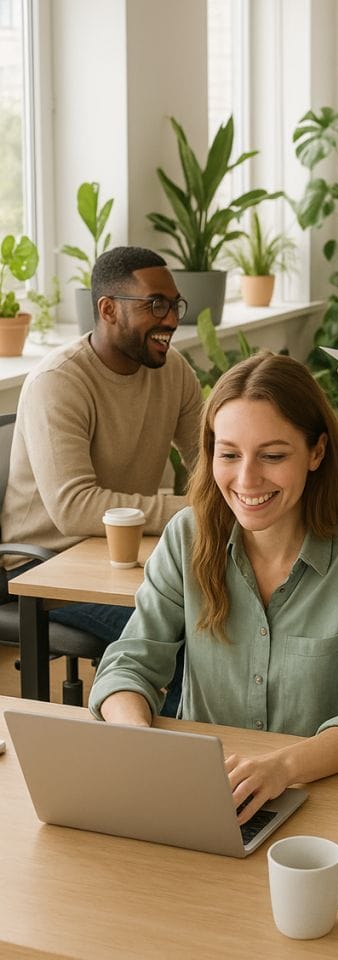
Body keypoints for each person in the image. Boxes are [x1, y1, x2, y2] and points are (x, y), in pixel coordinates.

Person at [89, 352, 338, 823]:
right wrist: (139, 738)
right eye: (229, 454)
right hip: (203, 798)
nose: (246, 480)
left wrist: (281, 768)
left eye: (273, 455)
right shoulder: (187, 536)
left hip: (329, 800)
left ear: (317, 452)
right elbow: (128, 663)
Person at [2, 246, 203, 698]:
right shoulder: (59, 381)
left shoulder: (174, 372)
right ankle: (161, 760)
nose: (171, 319)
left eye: (174, 305)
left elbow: (211, 462)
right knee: (188, 642)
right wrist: (194, 508)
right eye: (156, 305)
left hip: (127, 559)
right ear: (108, 309)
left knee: (232, 621)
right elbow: (75, 509)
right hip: (49, 568)